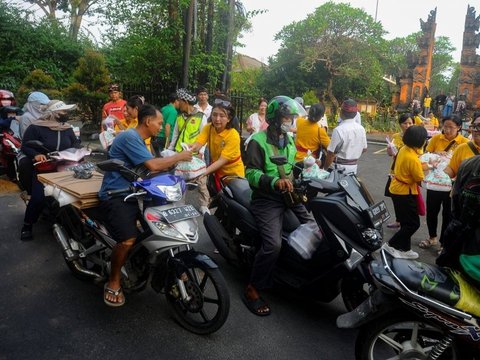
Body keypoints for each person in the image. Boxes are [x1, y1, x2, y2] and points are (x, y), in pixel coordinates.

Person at [98, 104, 192, 307]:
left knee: (159, 230)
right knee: (128, 239)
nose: (161, 126)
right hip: (117, 195)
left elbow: (149, 171)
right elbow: (153, 165)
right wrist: (179, 156)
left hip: (137, 193)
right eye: (159, 122)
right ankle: (113, 281)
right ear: (148, 121)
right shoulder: (129, 137)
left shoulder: (143, 141)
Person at [243, 96, 315, 316]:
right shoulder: (258, 141)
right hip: (267, 199)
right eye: (287, 117)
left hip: (289, 194)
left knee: (316, 227)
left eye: (293, 117)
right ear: (275, 118)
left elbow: (290, 167)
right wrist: (275, 182)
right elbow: (251, 174)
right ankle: (253, 288)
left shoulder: (288, 140)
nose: (291, 121)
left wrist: (307, 167)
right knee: (273, 244)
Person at [19, 100, 80, 241]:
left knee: (76, 194)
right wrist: (36, 155)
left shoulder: (67, 128)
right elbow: (26, 146)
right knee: (38, 197)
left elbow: (75, 142)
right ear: (53, 113)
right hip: (44, 167)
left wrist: (77, 149)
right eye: (63, 112)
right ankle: (27, 225)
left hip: (65, 166)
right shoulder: (36, 127)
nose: (66, 114)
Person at [419, 115, 468, 250]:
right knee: (432, 211)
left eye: (451, 127)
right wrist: (436, 154)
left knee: (448, 214)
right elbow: (426, 157)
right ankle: (432, 237)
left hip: (452, 184)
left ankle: (443, 243)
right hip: (435, 181)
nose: (447, 130)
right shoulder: (436, 138)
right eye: (445, 126)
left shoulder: (464, 142)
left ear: (458, 127)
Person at [382, 125, 428, 259]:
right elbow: (420, 179)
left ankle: (405, 249)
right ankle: (390, 245)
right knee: (413, 224)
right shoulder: (412, 158)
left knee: (405, 221)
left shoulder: (404, 149)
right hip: (404, 192)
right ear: (420, 141)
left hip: (397, 188)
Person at [189, 96, 245, 192]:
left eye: (222, 116)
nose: (217, 119)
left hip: (233, 176)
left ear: (229, 118)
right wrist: (189, 148)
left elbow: (221, 161)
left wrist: (203, 173)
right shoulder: (209, 128)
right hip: (217, 173)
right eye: (214, 115)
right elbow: (198, 143)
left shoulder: (233, 135)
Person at [169, 88, 210, 214]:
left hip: (195, 155)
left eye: (179, 101)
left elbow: (205, 136)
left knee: (201, 181)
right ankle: (180, 204)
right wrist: (170, 151)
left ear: (185, 101)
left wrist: (201, 151)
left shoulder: (201, 117)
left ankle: (204, 205)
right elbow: (175, 136)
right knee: (179, 180)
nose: (177, 103)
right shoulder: (179, 117)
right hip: (180, 154)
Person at [385, 113, 414, 229]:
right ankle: (398, 220)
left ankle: (405, 223)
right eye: (405, 123)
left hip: (408, 173)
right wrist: (389, 150)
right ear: (400, 124)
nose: (407, 125)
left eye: (410, 123)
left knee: (406, 200)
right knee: (395, 197)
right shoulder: (396, 136)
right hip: (394, 171)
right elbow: (389, 154)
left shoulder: (415, 137)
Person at [324, 99, 367, 174]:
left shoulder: (339, 130)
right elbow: (364, 148)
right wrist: (353, 153)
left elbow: (331, 154)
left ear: (341, 113)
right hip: (353, 167)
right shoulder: (361, 129)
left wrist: (324, 169)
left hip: (338, 168)